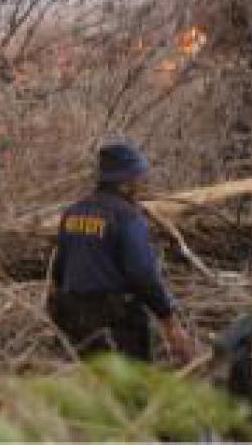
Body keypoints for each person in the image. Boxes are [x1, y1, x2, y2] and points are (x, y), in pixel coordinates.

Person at [48, 143, 197, 364]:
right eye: (139, 178)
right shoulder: (127, 217)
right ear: (126, 182)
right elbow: (143, 274)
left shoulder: (73, 213)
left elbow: (59, 270)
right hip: (117, 321)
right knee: (129, 390)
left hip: (75, 317)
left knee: (91, 386)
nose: (142, 183)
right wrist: (169, 320)